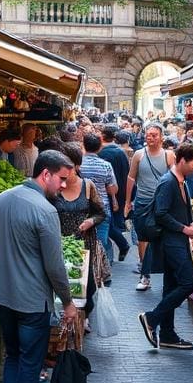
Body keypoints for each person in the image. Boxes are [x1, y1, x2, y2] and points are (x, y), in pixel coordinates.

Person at [0, 150, 79, 383]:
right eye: (62, 179)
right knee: (30, 362)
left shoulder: (2, 199)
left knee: (14, 356)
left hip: (2, 296)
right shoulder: (45, 210)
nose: (64, 186)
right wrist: (67, 302)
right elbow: (55, 267)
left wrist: (6, 274)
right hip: (31, 301)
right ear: (46, 175)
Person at [138, 143, 193, 350]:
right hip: (171, 242)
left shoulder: (181, 182)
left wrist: (191, 223)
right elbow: (161, 213)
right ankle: (152, 318)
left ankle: (167, 334)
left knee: (171, 287)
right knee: (188, 284)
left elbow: (179, 210)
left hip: (177, 241)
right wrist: (184, 229)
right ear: (183, 161)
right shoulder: (168, 182)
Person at [50, 145, 109, 305]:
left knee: (84, 284)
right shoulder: (52, 189)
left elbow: (101, 213)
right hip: (58, 244)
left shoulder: (87, 186)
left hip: (84, 246)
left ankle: (84, 317)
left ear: (76, 166)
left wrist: (90, 221)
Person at [128, 123, 175, 291]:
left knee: (165, 239)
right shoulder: (138, 155)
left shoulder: (169, 156)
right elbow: (131, 178)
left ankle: (167, 276)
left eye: (154, 135)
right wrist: (128, 202)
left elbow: (176, 180)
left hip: (163, 204)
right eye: (148, 134)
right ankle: (145, 275)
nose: (151, 137)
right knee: (143, 239)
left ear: (161, 137)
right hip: (142, 202)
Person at [79, 133, 118, 268]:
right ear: (99, 147)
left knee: (82, 241)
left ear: (83, 145)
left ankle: (88, 268)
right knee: (101, 241)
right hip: (102, 207)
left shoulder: (78, 165)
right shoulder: (106, 165)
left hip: (82, 207)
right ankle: (103, 269)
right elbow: (113, 189)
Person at [98, 126, 132, 263]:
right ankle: (122, 245)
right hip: (119, 192)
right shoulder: (120, 152)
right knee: (109, 223)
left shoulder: (104, 154)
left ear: (102, 137)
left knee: (107, 223)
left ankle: (112, 254)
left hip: (109, 194)